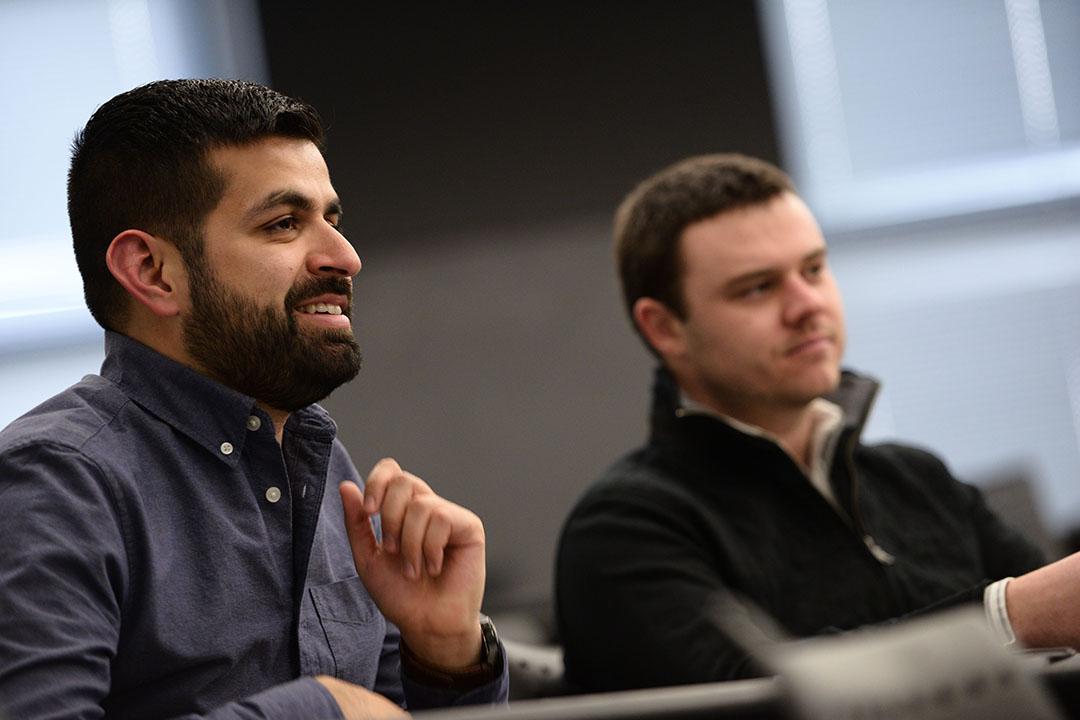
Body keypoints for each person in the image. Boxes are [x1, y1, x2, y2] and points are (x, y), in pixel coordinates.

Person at [0, 79, 507, 719]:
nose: (345, 257)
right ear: (152, 271)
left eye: (332, 220)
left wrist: (445, 656)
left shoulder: (322, 464)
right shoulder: (55, 482)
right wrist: (317, 711)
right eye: (283, 224)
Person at [555, 153, 1080, 692]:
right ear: (665, 328)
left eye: (813, 269)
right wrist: (1010, 618)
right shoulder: (624, 530)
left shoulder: (920, 480)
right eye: (758, 287)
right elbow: (752, 697)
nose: (808, 305)